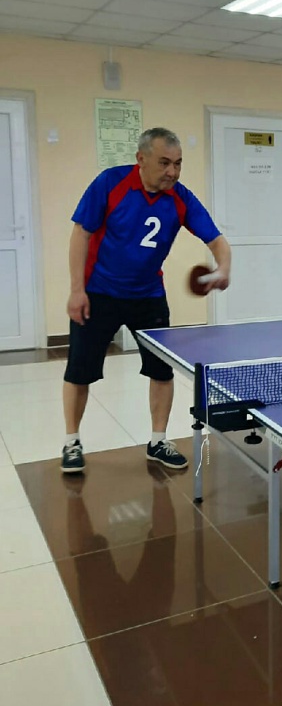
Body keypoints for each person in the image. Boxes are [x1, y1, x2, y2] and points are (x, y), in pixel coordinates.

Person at [62, 127, 231, 474]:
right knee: (80, 371)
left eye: (178, 163)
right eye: (164, 163)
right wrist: (77, 290)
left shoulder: (181, 198)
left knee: (161, 371)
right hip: (98, 292)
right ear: (141, 159)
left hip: (148, 295)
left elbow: (216, 240)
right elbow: (81, 232)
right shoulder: (111, 183)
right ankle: (71, 441)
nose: (172, 171)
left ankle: (157, 441)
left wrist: (224, 267)